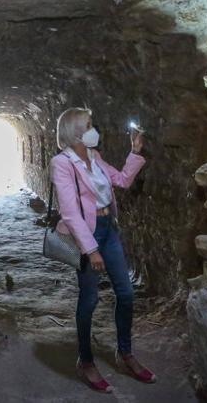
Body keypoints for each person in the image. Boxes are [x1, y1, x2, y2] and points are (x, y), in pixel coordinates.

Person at [50, 107, 154, 393]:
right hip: (88, 234)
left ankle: (125, 353)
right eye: (90, 125)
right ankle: (85, 361)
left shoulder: (94, 157)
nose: (96, 129)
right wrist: (91, 250)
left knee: (126, 292)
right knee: (90, 299)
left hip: (109, 228)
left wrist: (135, 151)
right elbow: (70, 213)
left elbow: (121, 180)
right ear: (75, 132)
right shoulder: (62, 163)